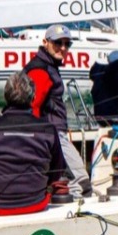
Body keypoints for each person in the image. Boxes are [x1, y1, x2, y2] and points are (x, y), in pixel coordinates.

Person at [0, 71, 65, 215]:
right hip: (34, 204)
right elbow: (57, 172)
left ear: (5, 97)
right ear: (33, 98)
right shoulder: (48, 130)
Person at [25, 24, 91, 199]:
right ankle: (78, 218)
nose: (63, 48)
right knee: (80, 181)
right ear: (45, 42)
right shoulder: (40, 69)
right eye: (58, 43)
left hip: (54, 133)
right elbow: (33, 107)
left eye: (67, 44)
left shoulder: (49, 65)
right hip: (52, 134)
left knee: (70, 182)